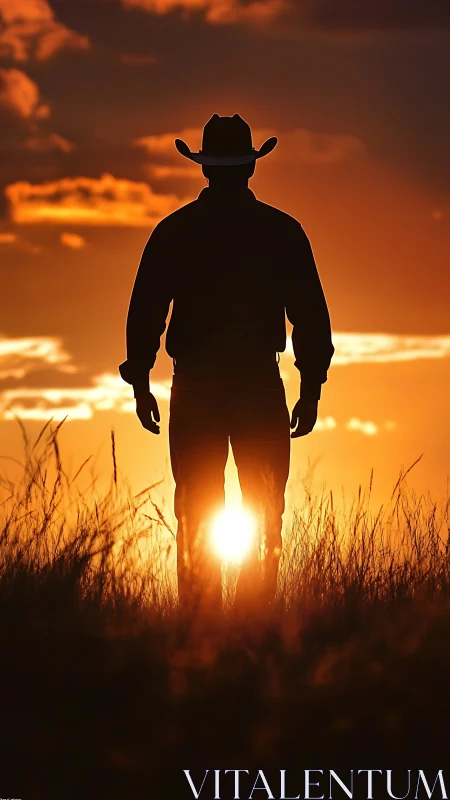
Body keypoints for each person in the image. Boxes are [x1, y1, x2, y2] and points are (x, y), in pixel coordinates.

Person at [119, 114, 334, 612]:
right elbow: (310, 314)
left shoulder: (175, 231)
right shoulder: (281, 231)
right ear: (251, 168)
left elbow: (146, 309)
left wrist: (141, 381)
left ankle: (200, 628)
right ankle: (252, 624)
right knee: (265, 507)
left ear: (203, 168)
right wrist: (310, 389)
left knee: (196, 507)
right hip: (258, 384)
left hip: (196, 387)